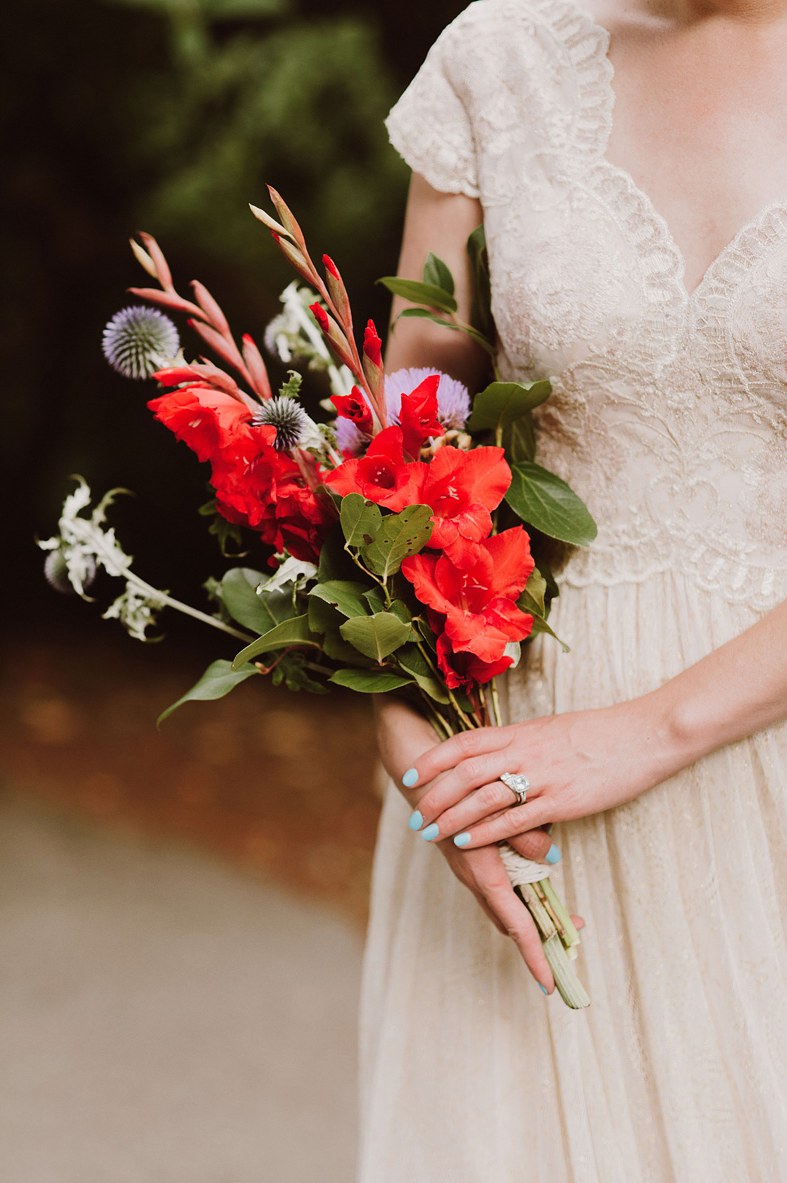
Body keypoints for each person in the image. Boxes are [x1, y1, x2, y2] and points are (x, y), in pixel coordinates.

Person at [360, 1, 787, 1176]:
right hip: (515, 765)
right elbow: (407, 440)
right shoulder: (497, 56)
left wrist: (645, 732)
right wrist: (405, 717)